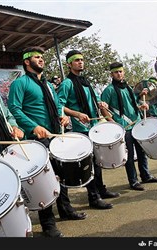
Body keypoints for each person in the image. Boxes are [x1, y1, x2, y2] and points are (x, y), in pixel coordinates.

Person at [8, 46, 86, 237]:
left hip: (54, 136)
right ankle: (48, 224)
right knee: (45, 182)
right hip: (37, 140)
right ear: (27, 62)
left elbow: (59, 105)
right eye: (36, 57)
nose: (41, 59)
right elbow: (14, 109)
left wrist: (63, 117)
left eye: (42, 57)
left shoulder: (49, 85)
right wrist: (33, 126)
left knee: (61, 175)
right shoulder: (20, 84)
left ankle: (66, 210)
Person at [56, 49, 119, 210]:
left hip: (92, 126)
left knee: (97, 162)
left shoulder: (85, 82)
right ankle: (93, 197)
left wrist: (101, 103)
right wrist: (77, 114)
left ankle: (101, 190)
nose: (80, 62)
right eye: (76, 60)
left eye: (82, 60)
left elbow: (95, 98)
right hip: (78, 129)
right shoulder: (67, 83)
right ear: (69, 64)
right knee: (88, 165)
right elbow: (60, 105)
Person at [101, 62, 157, 191]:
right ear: (111, 74)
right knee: (129, 156)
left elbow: (132, 104)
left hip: (137, 124)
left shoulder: (128, 88)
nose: (119, 74)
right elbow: (103, 108)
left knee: (141, 152)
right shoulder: (109, 90)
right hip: (124, 127)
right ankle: (133, 181)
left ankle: (146, 175)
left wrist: (141, 106)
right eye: (116, 72)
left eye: (121, 71)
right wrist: (112, 123)